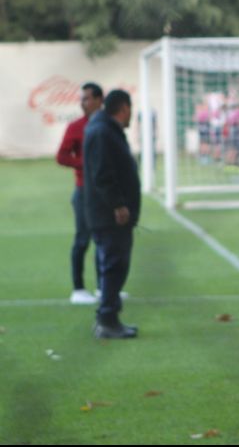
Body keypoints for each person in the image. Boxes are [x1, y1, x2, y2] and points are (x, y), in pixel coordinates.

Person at [83, 89, 141, 338]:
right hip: (109, 215)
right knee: (114, 265)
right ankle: (107, 319)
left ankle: (108, 318)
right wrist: (118, 205)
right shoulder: (103, 132)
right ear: (125, 108)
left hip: (107, 213)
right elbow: (103, 174)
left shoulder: (104, 129)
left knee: (114, 265)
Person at [56, 82, 104, 305]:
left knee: (104, 240)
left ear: (99, 100)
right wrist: (85, 164)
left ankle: (104, 288)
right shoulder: (75, 127)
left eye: (86, 98)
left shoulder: (108, 125)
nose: (82, 103)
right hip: (84, 191)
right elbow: (62, 156)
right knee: (82, 240)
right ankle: (78, 289)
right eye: (81, 99)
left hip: (106, 192)